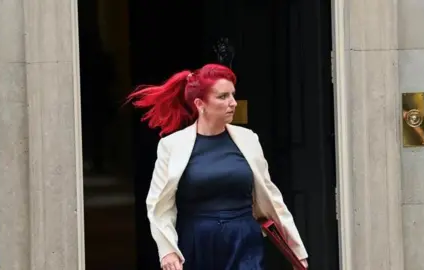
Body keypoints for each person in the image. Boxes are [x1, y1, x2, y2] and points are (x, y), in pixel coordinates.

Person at [127, 64, 308, 270]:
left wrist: (296, 251)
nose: (232, 103)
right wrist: (167, 250)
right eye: (223, 97)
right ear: (200, 103)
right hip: (196, 242)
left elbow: (271, 197)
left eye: (232, 95)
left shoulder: (248, 139)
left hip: (243, 240)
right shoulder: (172, 146)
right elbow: (159, 204)